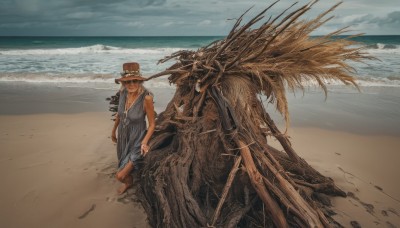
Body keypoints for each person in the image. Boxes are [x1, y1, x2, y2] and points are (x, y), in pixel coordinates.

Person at [111, 62, 155, 194]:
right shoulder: (123, 93)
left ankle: (128, 180)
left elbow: (152, 124)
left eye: (134, 81)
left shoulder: (146, 98)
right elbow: (120, 114)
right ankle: (130, 181)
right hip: (123, 135)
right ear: (123, 83)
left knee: (120, 175)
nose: (131, 84)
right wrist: (113, 131)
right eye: (127, 81)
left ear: (139, 81)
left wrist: (144, 142)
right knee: (122, 161)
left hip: (137, 137)